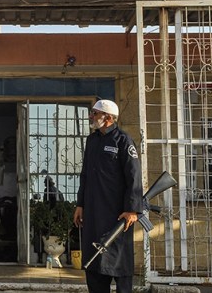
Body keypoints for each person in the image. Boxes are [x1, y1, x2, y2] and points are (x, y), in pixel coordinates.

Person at [74, 99, 143, 293]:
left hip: (117, 216)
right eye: (93, 112)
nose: (91, 116)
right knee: (94, 264)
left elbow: (134, 176)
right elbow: (85, 174)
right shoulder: (92, 140)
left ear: (109, 118)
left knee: (120, 265)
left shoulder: (123, 140)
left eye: (95, 113)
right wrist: (80, 205)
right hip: (94, 214)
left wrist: (132, 209)